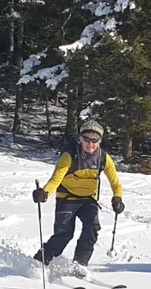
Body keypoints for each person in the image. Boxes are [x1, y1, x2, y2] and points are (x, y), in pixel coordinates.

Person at [30, 117, 124, 278]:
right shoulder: (69, 155)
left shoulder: (103, 157)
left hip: (88, 199)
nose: (90, 144)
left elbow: (116, 183)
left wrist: (117, 198)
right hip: (66, 198)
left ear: (100, 141)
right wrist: (44, 193)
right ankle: (40, 262)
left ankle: (80, 265)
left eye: (94, 140)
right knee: (64, 234)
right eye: (86, 139)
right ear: (80, 138)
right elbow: (56, 178)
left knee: (92, 228)